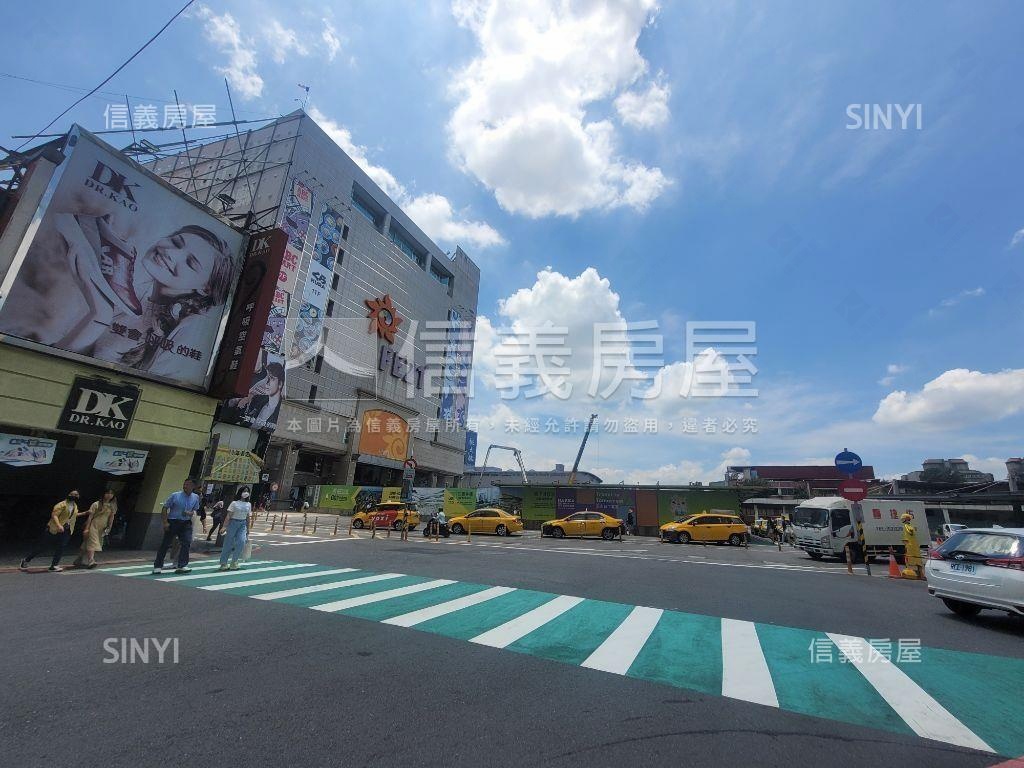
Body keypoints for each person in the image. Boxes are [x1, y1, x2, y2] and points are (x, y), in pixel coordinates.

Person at [52, 214, 236, 382]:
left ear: (205, 288)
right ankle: (103, 240)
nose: (171, 253)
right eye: (176, 241)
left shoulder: (192, 329)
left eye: (191, 263)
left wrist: (100, 314)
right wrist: (100, 314)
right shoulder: (136, 295)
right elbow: (56, 364)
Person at [21, 490, 87, 572]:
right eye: (72, 494)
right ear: (68, 495)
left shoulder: (75, 505)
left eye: (76, 495)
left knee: (61, 547)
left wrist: (84, 513)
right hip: (54, 529)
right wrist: (59, 525)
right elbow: (54, 515)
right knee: (43, 547)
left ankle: (54, 565)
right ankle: (26, 560)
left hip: (67, 529)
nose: (74, 496)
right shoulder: (61, 504)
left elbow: (72, 515)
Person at [152, 478, 202, 574]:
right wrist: (165, 522)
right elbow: (165, 508)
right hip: (173, 521)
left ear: (193, 487)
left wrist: (189, 513)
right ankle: (158, 566)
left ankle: (182, 565)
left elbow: (194, 511)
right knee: (165, 544)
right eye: (184, 484)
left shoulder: (195, 497)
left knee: (186, 542)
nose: (185, 486)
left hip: (186, 523)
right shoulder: (175, 495)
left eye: (188, 485)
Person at [74, 489, 117, 569]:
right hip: (93, 525)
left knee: (87, 542)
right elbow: (90, 517)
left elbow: (111, 517)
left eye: (111, 494)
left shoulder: (113, 506)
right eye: (107, 493)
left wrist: (109, 527)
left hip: (102, 527)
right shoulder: (96, 504)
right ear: (103, 494)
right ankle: (91, 560)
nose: (109, 495)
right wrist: (87, 528)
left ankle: (78, 559)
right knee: (93, 542)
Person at [219, 487, 253, 571]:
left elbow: (248, 517)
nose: (246, 493)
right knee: (228, 543)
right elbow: (229, 515)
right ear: (240, 492)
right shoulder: (234, 503)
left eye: (247, 491)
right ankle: (223, 563)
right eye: (244, 491)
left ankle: (234, 562)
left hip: (242, 524)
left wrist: (248, 529)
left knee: (241, 542)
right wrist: (224, 526)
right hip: (233, 523)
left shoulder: (248, 504)